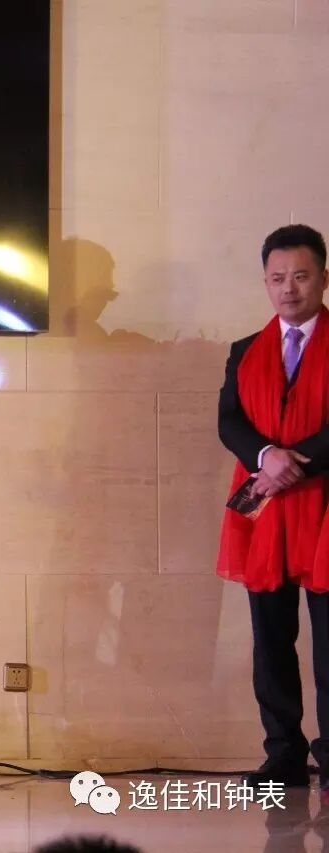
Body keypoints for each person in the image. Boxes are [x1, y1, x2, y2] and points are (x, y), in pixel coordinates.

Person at [217, 224, 329, 795]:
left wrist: (295, 463)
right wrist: (266, 456)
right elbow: (229, 422)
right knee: (271, 640)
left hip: (324, 507)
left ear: (324, 279)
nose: (289, 288)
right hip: (265, 512)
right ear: (265, 282)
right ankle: (282, 755)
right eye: (278, 277)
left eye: (301, 276)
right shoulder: (245, 351)